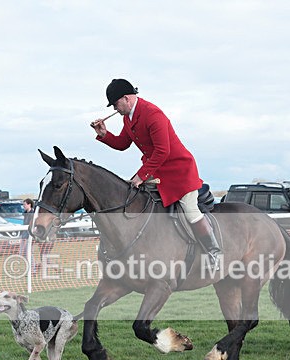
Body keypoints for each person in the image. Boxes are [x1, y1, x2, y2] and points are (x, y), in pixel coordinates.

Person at [91, 78, 222, 270]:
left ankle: (214, 252)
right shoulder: (128, 118)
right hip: (157, 171)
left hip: (179, 172)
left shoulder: (152, 114)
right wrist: (104, 134)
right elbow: (122, 144)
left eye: (116, 104)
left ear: (126, 98)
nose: (115, 109)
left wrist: (140, 176)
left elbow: (163, 151)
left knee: (190, 210)